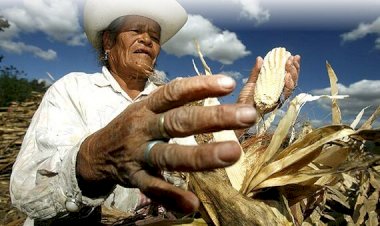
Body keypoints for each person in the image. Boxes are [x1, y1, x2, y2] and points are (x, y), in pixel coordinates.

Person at [10, 0, 301, 225]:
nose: (147, 40)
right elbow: (25, 191)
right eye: (136, 31)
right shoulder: (72, 89)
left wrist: (251, 107)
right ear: (108, 43)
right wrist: (95, 157)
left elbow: (206, 156)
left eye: (154, 36)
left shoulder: (172, 101)